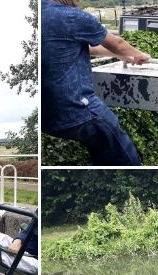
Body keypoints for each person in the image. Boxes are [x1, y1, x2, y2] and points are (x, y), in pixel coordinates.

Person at [41, 0, 151, 166]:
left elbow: (79, 45)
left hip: (48, 117)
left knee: (102, 154)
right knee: (124, 156)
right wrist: (140, 55)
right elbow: (118, 44)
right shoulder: (74, 16)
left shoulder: (41, 12)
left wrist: (120, 55)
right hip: (78, 109)